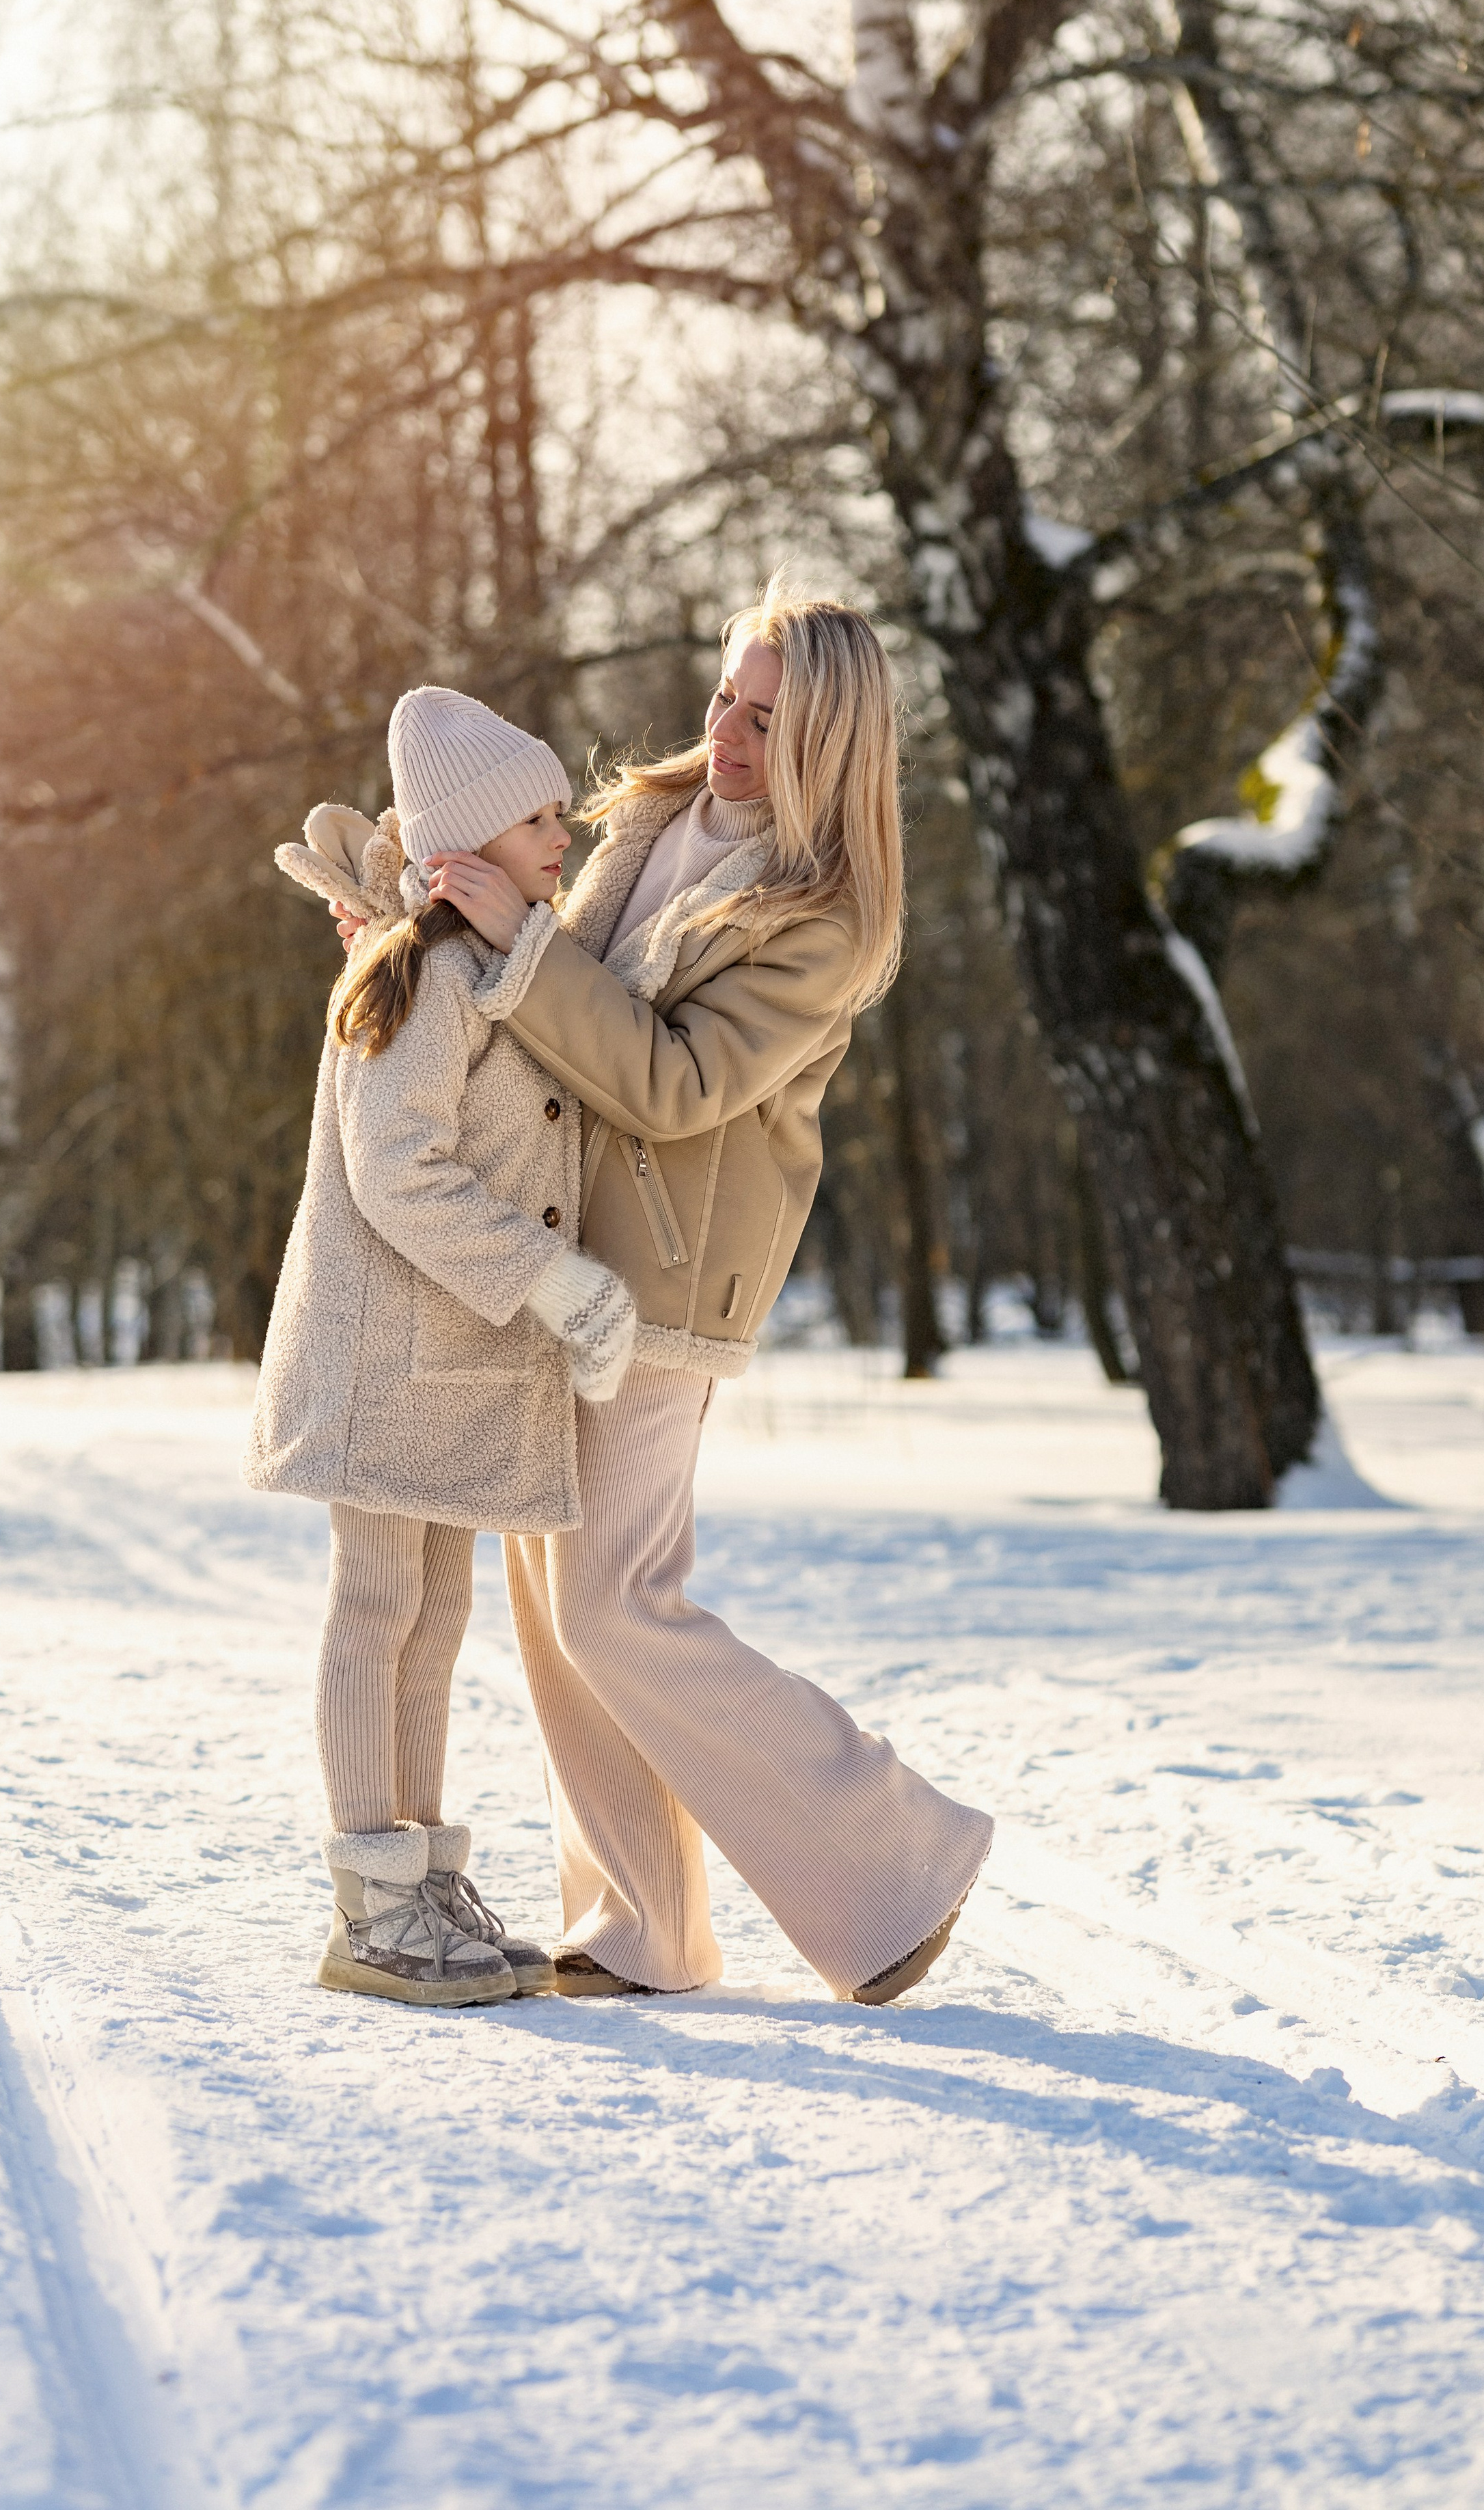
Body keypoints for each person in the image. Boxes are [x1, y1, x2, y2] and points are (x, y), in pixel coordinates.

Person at [404, 577, 994, 2004]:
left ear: (831, 744)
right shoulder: (646, 819)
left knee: (615, 1601)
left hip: (664, 1283)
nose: (727, 732)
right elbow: (535, 1015)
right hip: (552, 1251)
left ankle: (896, 1855)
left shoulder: (827, 922)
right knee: (553, 1608)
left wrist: (523, 948)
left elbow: (677, 1087)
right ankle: (636, 1927)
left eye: (765, 719)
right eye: (726, 697)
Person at [247, 686, 637, 2008]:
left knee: (440, 1609)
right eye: (537, 817)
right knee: (376, 1603)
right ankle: (371, 1898)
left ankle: (422, 1877)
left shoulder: (498, 968)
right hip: (380, 1355)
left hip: (455, 1362)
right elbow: (396, 1170)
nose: (563, 833)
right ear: (468, 840)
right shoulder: (415, 981)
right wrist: (553, 1283)